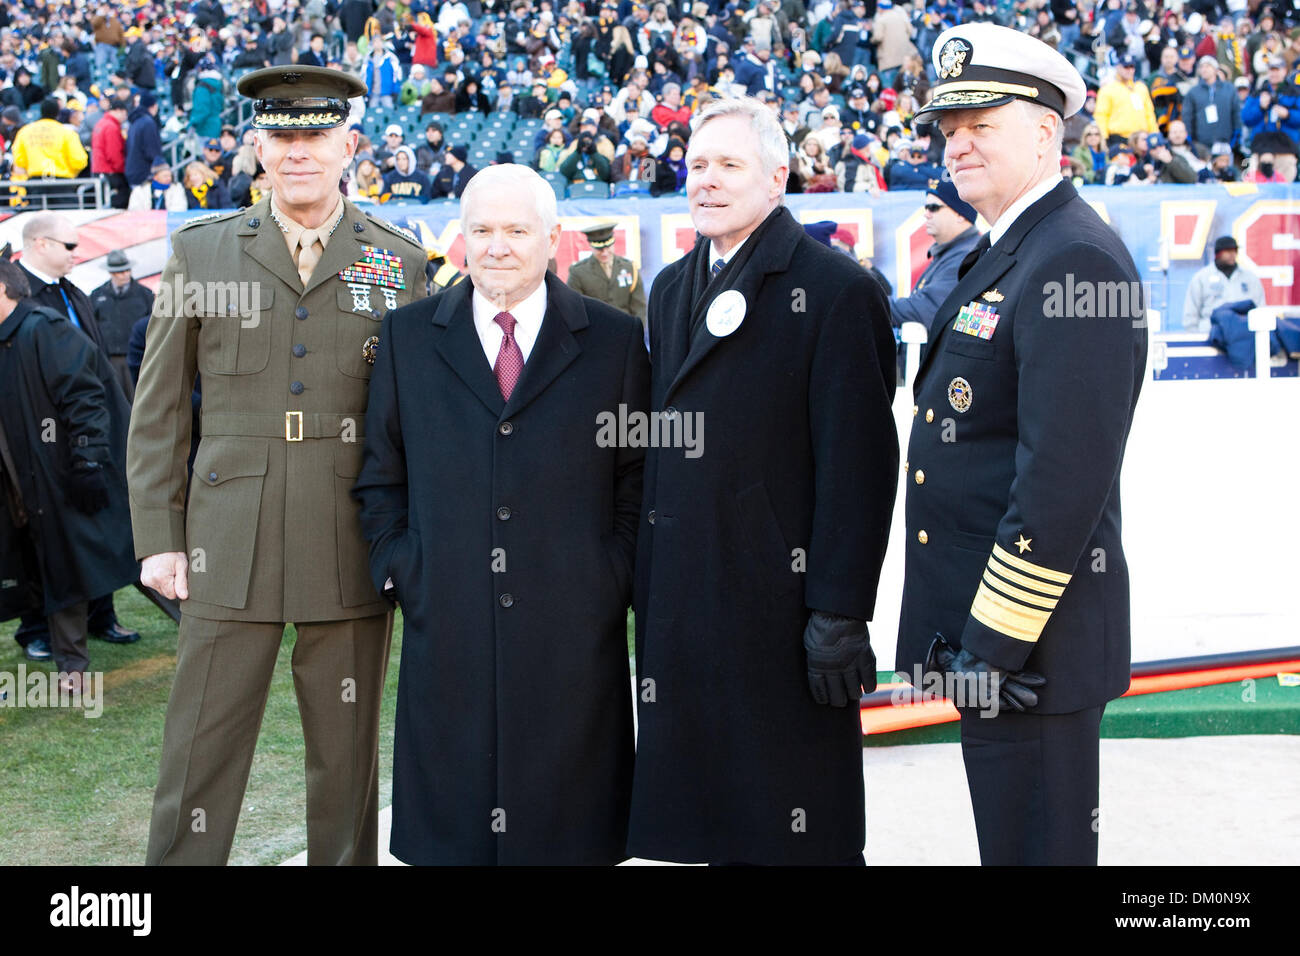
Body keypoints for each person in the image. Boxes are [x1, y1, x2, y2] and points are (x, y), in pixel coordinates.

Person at [127, 65, 428, 866]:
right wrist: (158, 536)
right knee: (201, 748)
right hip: (224, 536)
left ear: (348, 146)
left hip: (349, 535)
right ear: (258, 147)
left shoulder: (399, 262)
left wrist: (409, 540)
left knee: (347, 755)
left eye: (316, 137)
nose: (299, 153)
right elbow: (158, 408)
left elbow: (417, 422)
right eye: (283, 137)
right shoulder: (201, 253)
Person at [899, 23, 1147, 867]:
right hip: (995, 647)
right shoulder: (1011, 249)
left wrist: (992, 647)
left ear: (1045, 131)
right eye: (948, 128)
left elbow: (1061, 481)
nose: (957, 146)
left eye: (981, 124)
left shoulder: (1073, 258)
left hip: (1027, 650)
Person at [351, 164, 649, 864]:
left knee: (570, 832)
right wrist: (403, 566)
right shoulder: (408, 336)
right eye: (481, 230)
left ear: (552, 239)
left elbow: (638, 477)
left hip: (575, 630)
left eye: (517, 230)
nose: (497, 246)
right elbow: (378, 473)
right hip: (447, 620)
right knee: (455, 835)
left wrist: (613, 572)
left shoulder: (611, 340)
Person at [627, 97, 898, 866]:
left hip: (783, 611)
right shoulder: (674, 286)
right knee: (715, 820)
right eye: (697, 165)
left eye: (728, 166)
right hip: (686, 600)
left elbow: (861, 464)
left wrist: (839, 612)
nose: (706, 181)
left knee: (794, 823)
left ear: (777, 178)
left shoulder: (837, 289)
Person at [0, 260, 137, 693]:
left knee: (125, 557)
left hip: (68, 478)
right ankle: (72, 668)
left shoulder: (43, 329)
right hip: (26, 487)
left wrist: (89, 462)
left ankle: (204, 634)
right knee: (60, 570)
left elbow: (86, 397)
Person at [891, 178, 980, 331]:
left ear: (960, 214)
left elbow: (924, 310)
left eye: (933, 207)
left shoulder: (966, 256)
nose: (926, 214)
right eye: (926, 207)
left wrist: (870, 302)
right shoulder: (951, 251)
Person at [90, 250, 153, 400]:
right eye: (119, 271)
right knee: (114, 399)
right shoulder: (96, 296)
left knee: (139, 398)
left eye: (127, 270)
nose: (124, 274)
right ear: (111, 273)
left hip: (139, 358)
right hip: (109, 359)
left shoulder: (145, 294)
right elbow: (92, 327)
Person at [1183, 235, 1265, 335]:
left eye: (1235, 250)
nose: (1232, 254)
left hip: (1243, 334)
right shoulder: (1201, 278)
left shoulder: (1250, 278)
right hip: (1211, 334)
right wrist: (1195, 339)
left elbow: (1260, 308)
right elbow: (1191, 313)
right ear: (1217, 254)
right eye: (1228, 251)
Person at [565, 222, 646, 324]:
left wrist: (638, 332)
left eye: (608, 247)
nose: (604, 253)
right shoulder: (578, 272)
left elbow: (639, 306)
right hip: (595, 331)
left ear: (613, 244)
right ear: (591, 246)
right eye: (599, 249)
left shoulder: (629, 268)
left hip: (626, 330)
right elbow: (574, 307)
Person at [1095, 53, 1158, 145]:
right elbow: (1101, 115)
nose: (1129, 70)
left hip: (1141, 138)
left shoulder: (1141, 87)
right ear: (1118, 68)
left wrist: (1154, 134)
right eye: (1126, 67)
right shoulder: (1108, 89)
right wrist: (1103, 138)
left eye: (1132, 67)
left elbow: (1149, 113)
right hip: (1118, 137)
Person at [90, 97, 130, 208]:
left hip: (99, 169)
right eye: (125, 114)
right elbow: (113, 153)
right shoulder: (111, 127)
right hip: (110, 171)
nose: (125, 117)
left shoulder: (101, 123)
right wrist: (122, 170)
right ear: (119, 111)